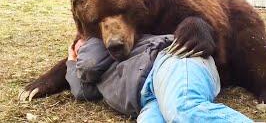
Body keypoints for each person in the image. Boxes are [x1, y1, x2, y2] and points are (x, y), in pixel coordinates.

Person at [66, 34, 253, 123]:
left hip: (171, 63)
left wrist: (78, 52)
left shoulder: (97, 42)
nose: (80, 54)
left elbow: (89, 64)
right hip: (150, 96)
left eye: (80, 49)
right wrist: (70, 60)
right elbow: (82, 91)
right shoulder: (104, 77)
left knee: (184, 108)